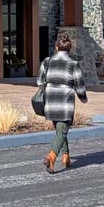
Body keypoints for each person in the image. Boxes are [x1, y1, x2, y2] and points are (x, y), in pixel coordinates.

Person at [37, 33, 88, 174]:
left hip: (50, 101)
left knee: (60, 131)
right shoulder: (73, 64)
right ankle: (51, 157)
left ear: (56, 47)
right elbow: (79, 84)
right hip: (65, 102)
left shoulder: (47, 61)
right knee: (62, 131)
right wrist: (83, 97)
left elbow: (39, 81)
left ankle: (66, 157)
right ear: (69, 49)